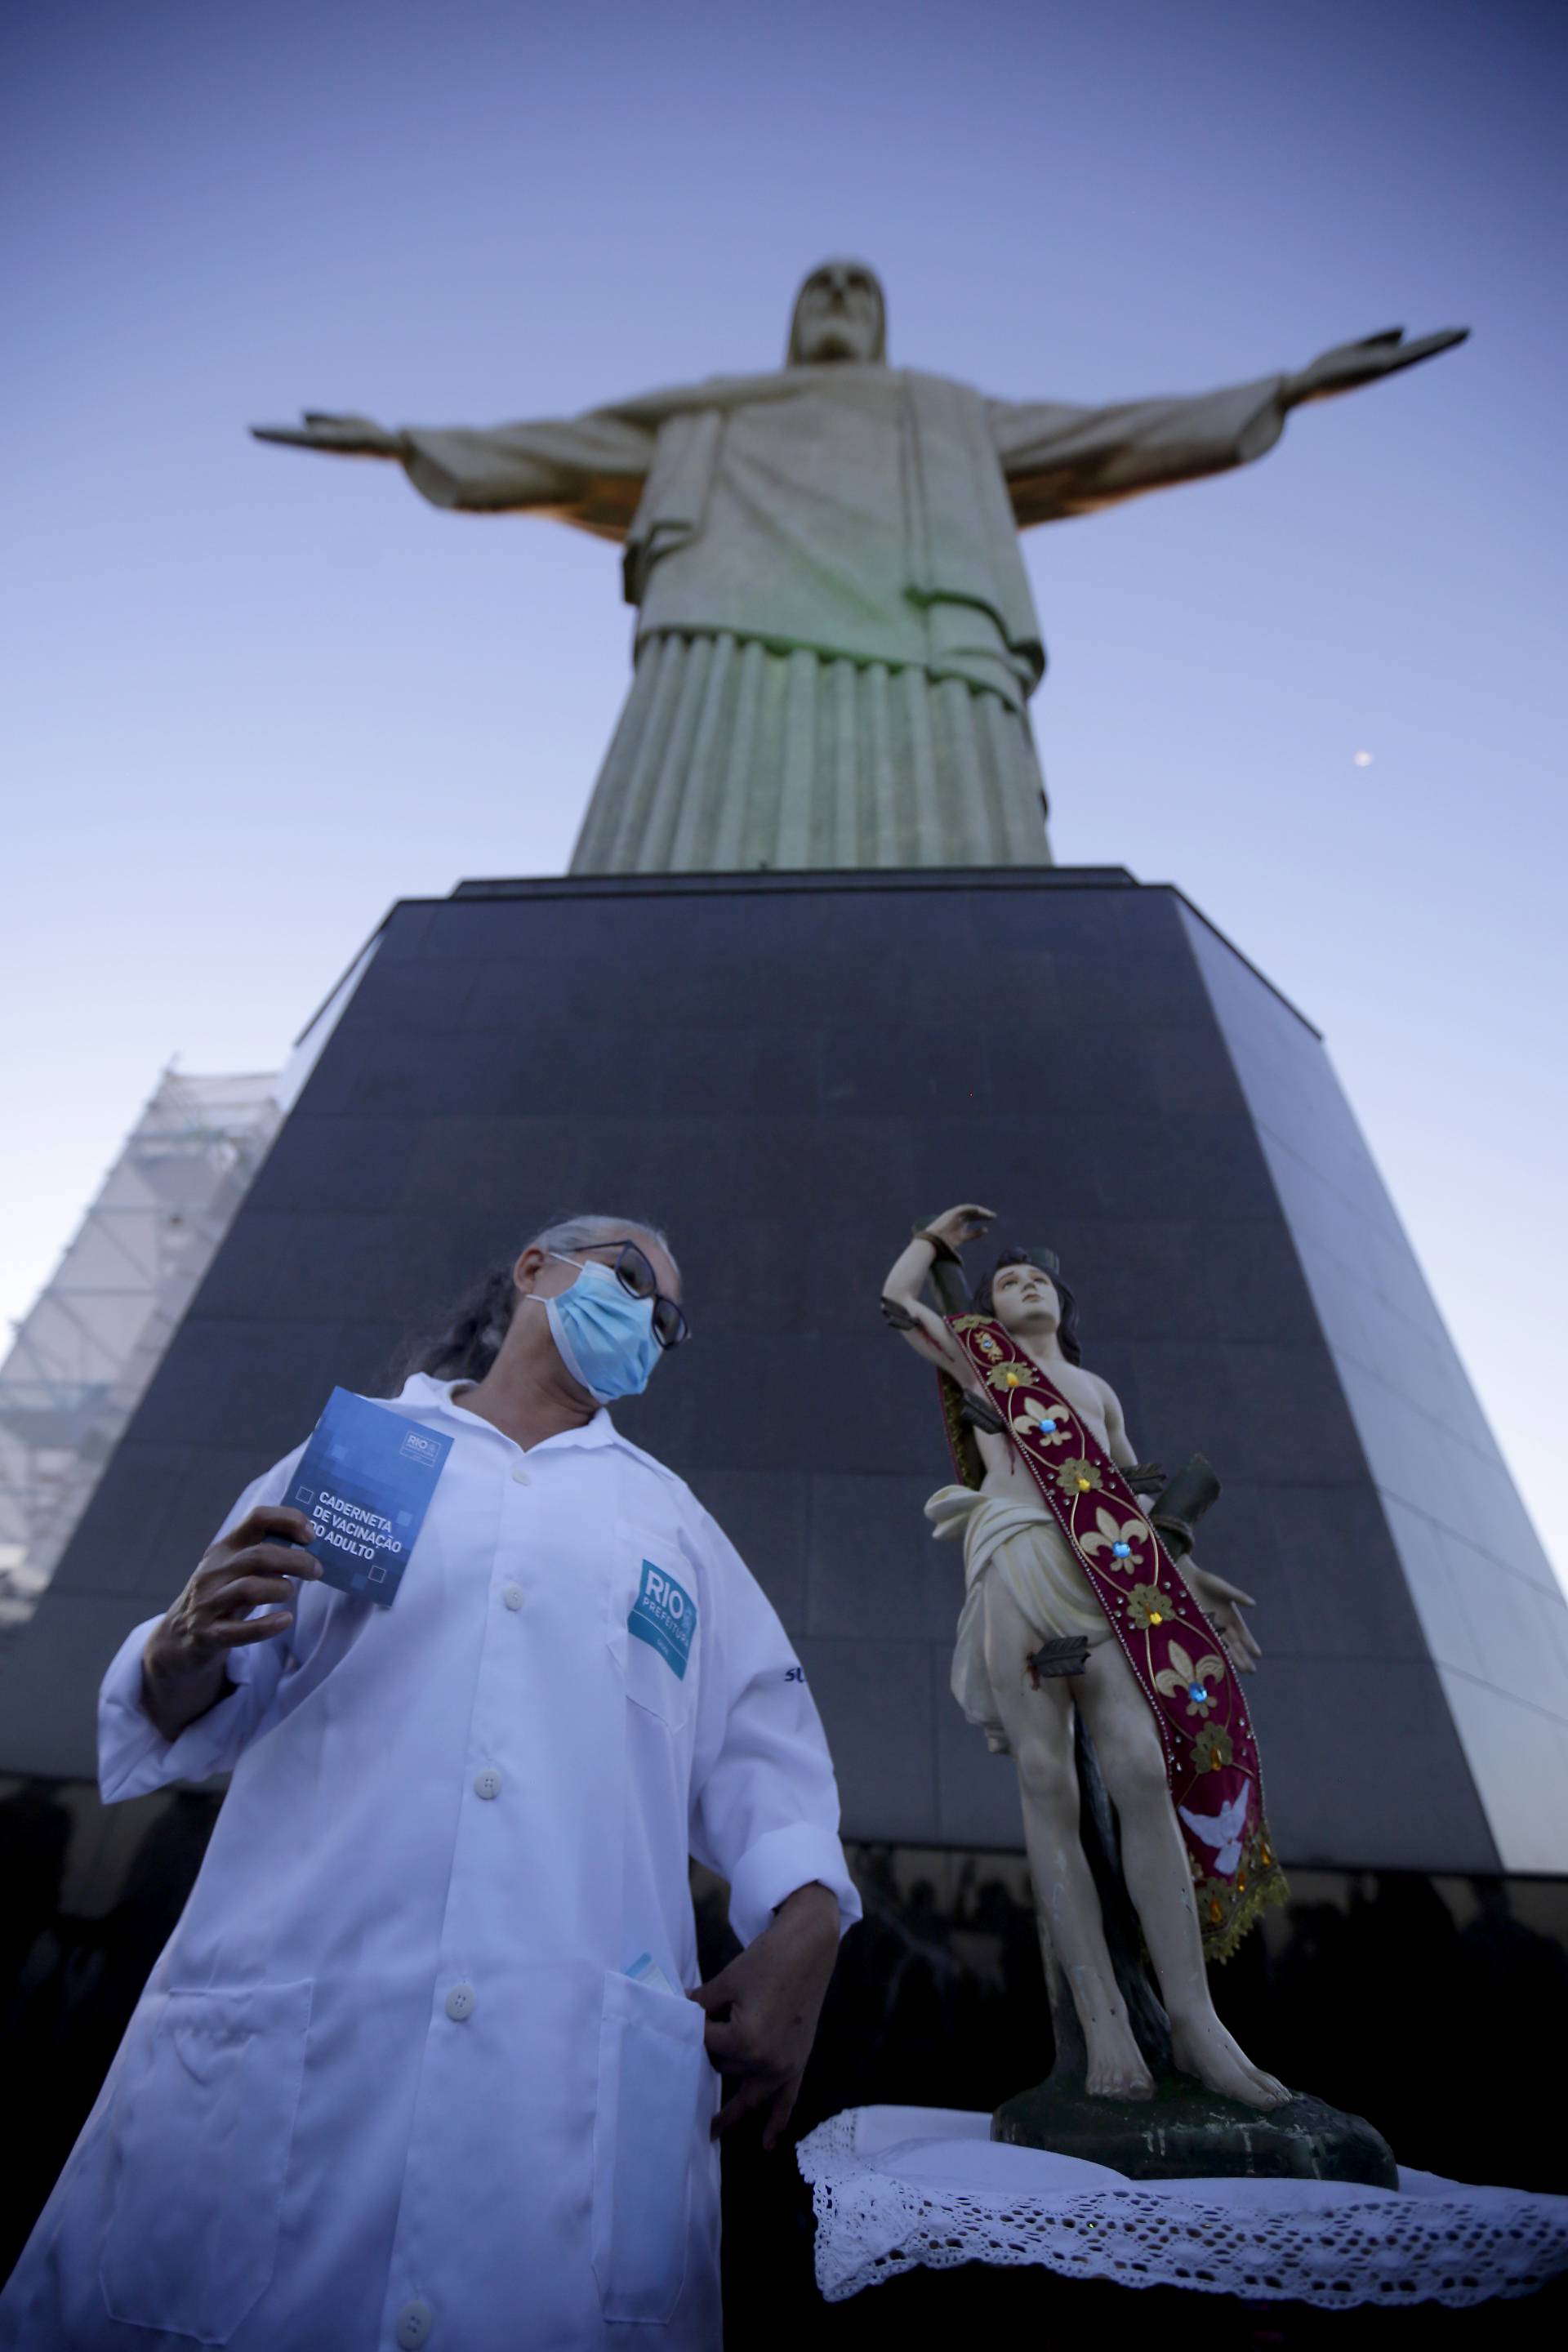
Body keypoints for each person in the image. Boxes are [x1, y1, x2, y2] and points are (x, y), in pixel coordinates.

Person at [2, 1215, 858, 2351]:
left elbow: (771, 1761)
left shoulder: (673, 1529)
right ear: (536, 1269)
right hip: (296, 2035)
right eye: (631, 1276)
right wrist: (175, 1649)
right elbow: (201, 1688)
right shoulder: (358, 1458)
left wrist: (807, 1929)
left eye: (668, 1316)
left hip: (555, 2104)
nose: (647, 1316)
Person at [882, 1203, 1285, 2110]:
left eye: (1038, 1281)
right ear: (989, 1308)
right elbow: (899, 1298)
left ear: (1062, 1306)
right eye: (1007, 1281)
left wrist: (1195, 1580)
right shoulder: (981, 1359)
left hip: (1110, 1584)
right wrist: (935, 1242)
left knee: (1142, 1770)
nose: (1023, 1286)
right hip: (1020, 1559)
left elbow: (1133, 1500)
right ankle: (1102, 2020)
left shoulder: (1097, 1390)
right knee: (1047, 1783)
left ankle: (1195, 2018)